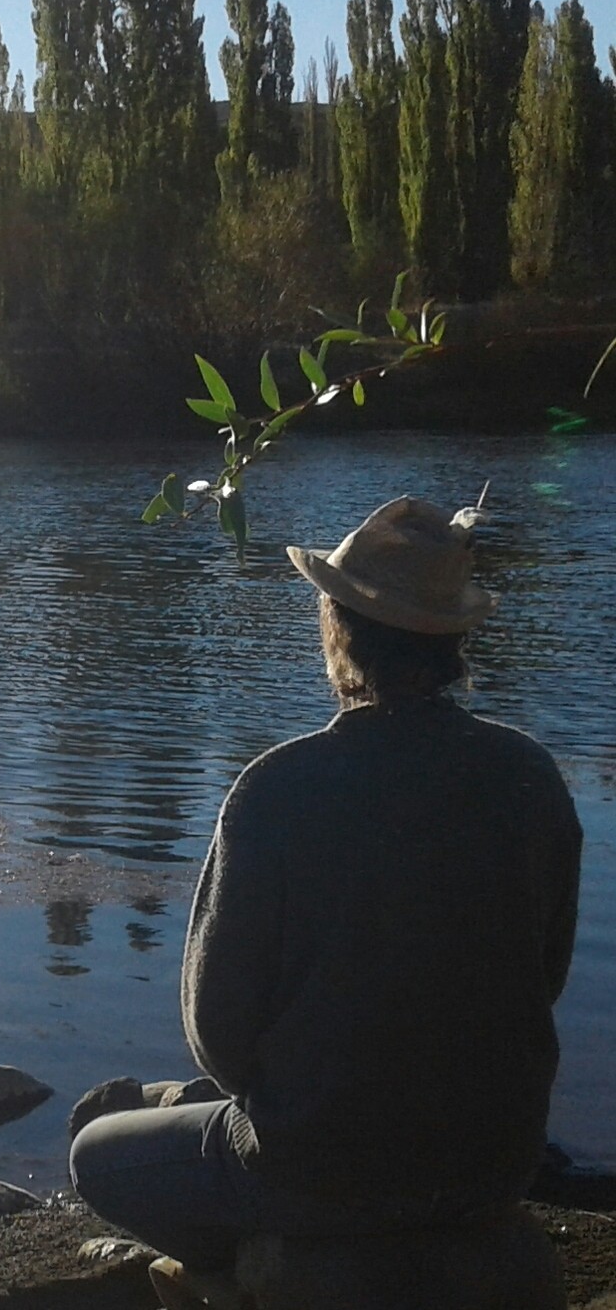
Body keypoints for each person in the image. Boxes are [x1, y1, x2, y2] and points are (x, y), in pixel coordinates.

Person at [69, 495, 584, 1272]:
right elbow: (541, 976)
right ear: (453, 644)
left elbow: (218, 1032)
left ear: (339, 630)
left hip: (320, 1170)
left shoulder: (279, 788)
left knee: (98, 1153)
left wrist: (307, 1094)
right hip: (494, 1163)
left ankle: (261, 1271)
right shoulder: (531, 776)